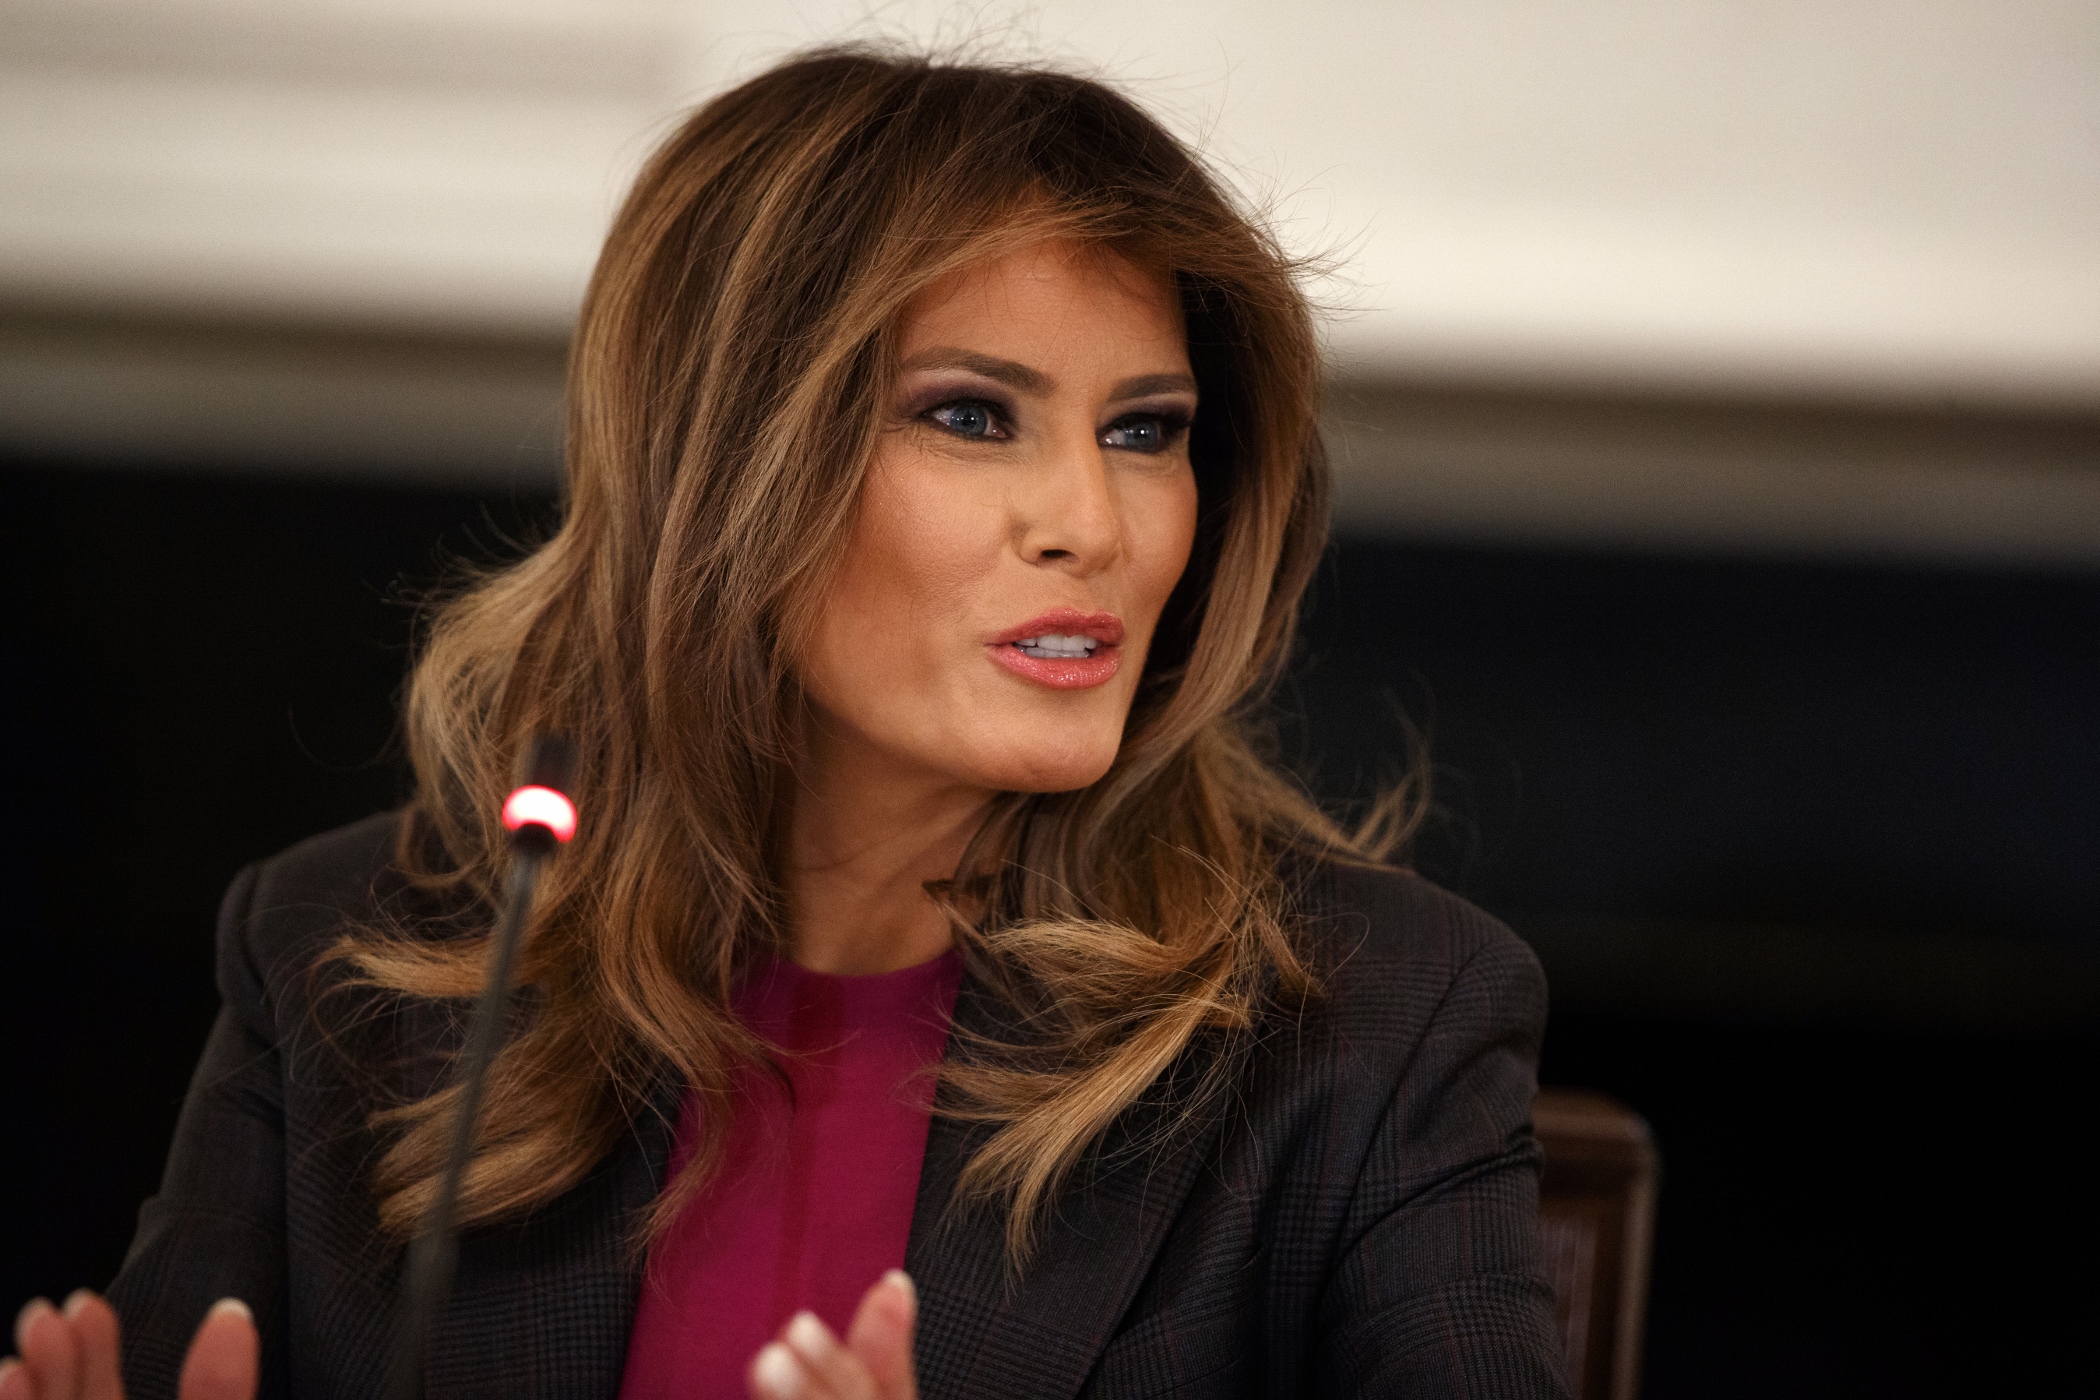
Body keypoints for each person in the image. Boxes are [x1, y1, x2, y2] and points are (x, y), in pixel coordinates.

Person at [1, 48, 1566, 1400]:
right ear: (725, 466)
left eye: (1145, 431)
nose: (1094, 523)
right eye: (972, 415)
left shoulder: (1376, 1027)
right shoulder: (345, 967)